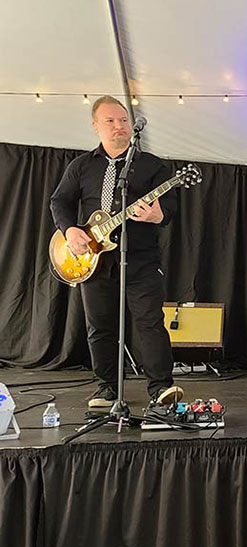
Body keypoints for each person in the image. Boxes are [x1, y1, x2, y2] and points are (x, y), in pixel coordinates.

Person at [49, 95, 183, 409]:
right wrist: (70, 230)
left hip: (140, 259)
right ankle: (106, 387)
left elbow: (172, 206)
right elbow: (60, 201)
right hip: (93, 261)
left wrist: (157, 215)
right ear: (96, 126)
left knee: (150, 322)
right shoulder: (81, 166)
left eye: (123, 121)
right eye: (110, 121)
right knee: (100, 325)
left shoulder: (152, 165)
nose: (119, 127)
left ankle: (161, 387)